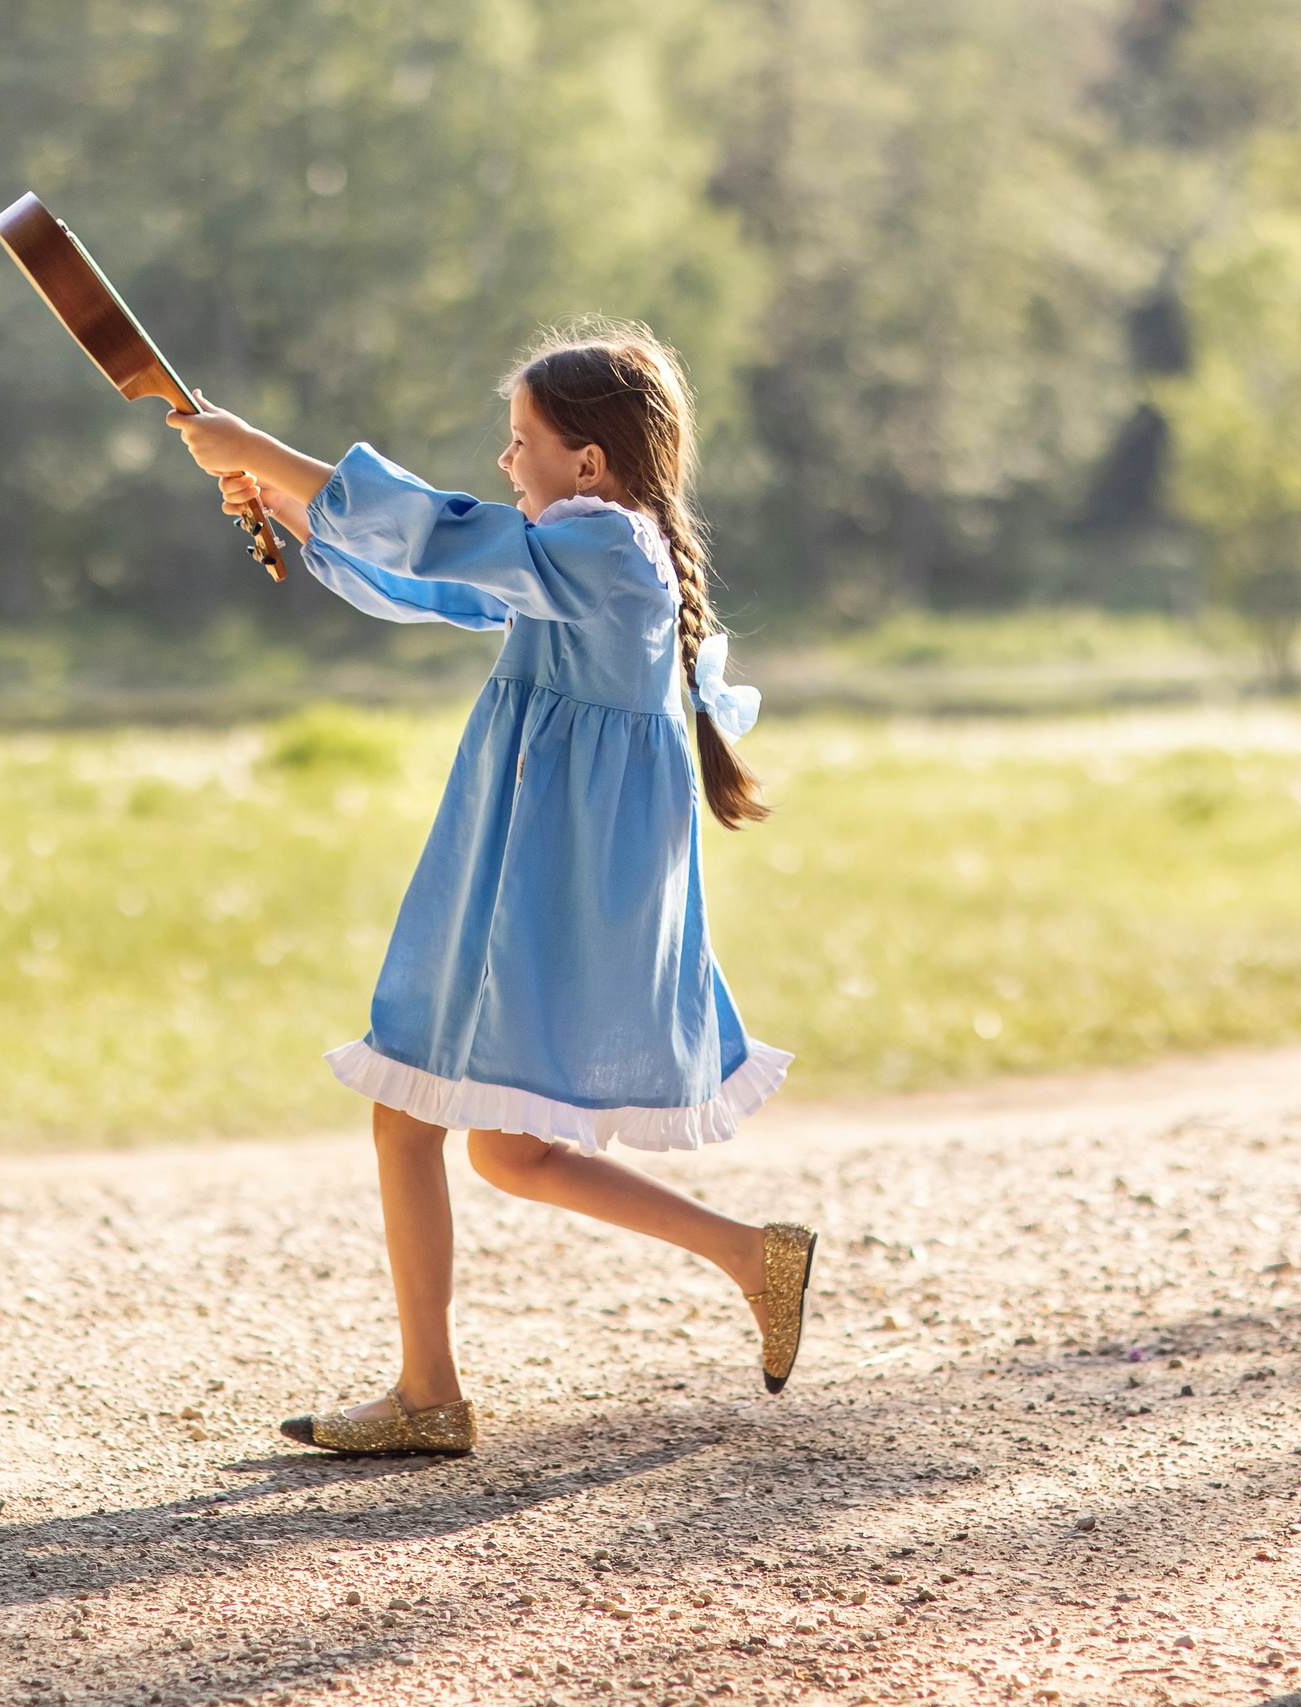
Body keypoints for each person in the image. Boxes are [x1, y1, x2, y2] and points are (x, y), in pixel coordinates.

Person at [168, 323, 816, 1455]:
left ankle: (429, 1392)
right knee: (500, 1148)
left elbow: (439, 534)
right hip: (528, 866)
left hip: (541, 879)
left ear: (589, 462)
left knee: (413, 1112)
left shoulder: (607, 546)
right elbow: (437, 583)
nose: (506, 461)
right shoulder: (583, 546)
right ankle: (744, 1255)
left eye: (521, 441)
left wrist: (264, 451)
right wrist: (293, 516)